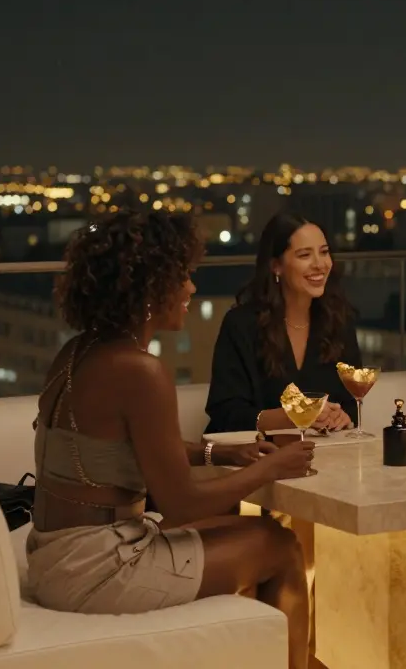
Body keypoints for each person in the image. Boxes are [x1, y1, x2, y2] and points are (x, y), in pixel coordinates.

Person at [26, 210, 313, 669]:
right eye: (183, 277)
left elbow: (125, 448)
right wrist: (272, 467)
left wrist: (220, 451)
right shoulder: (140, 371)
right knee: (279, 545)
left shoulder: (78, 351)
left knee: (245, 527)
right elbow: (181, 505)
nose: (191, 289)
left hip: (56, 557)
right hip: (97, 569)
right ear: (149, 287)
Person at [206, 212, 358, 435]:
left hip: (328, 456)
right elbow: (225, 413)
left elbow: (351, 403)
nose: (320, 264)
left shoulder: (339, 320)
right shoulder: (241, 324)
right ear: (276, 266)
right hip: (258, 458)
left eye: (324, 252)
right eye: (305, 255)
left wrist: (342, 416)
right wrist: (288, 417)